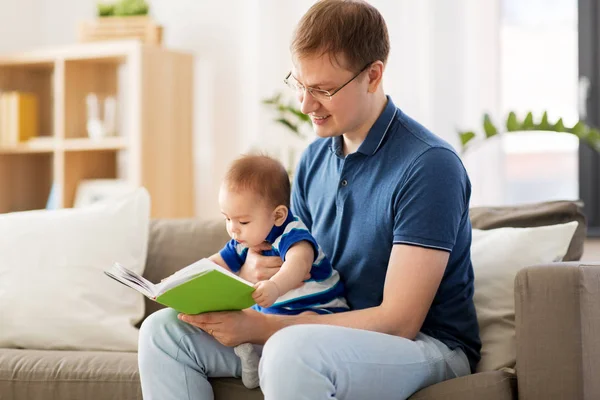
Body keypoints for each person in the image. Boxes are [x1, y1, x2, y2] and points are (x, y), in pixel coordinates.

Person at [138, 0, 481, 399]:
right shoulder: (315, 157)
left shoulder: (429, 166)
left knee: (290, 349)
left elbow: (399, 321)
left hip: (425, 345)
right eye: (300, 84)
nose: (305, 105)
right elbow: (291, 255)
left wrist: (262, 327)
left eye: (322, 89)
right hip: (321, 325)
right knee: (163, 332)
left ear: (373, 75)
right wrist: (252, 272)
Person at [206, 154, 349, 388]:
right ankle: (251, 358)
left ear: (278, 215)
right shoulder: (242, 241)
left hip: (318, 311)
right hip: (271, 316)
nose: (233, 229)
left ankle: (265, 361)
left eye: (242, 222)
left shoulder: (291, 233)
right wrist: (187, 277)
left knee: (303, 328)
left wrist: (275, 286)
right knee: (244, 321)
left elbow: (298, 264)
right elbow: (216, 263)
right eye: (227, 219)